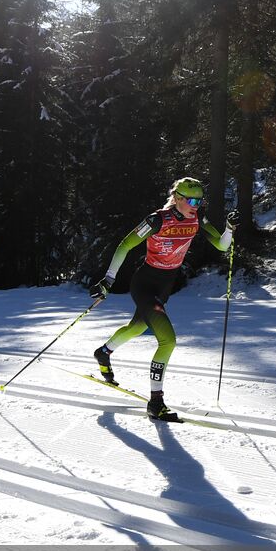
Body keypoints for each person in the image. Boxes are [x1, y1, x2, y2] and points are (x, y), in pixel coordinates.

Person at [90, 177, 237, 422]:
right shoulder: (157, 220)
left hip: (165, 286)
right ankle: (156, 403)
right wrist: (108, 279)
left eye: (199, 200)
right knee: (167, 341)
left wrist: (230, 229)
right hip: (145, 284)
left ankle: (104, 352)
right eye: (190, 200)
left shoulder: (197, 218)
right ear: (177, 198)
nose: (196, 205)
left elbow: (222, 246)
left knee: (137, 327)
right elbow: (125, 245)